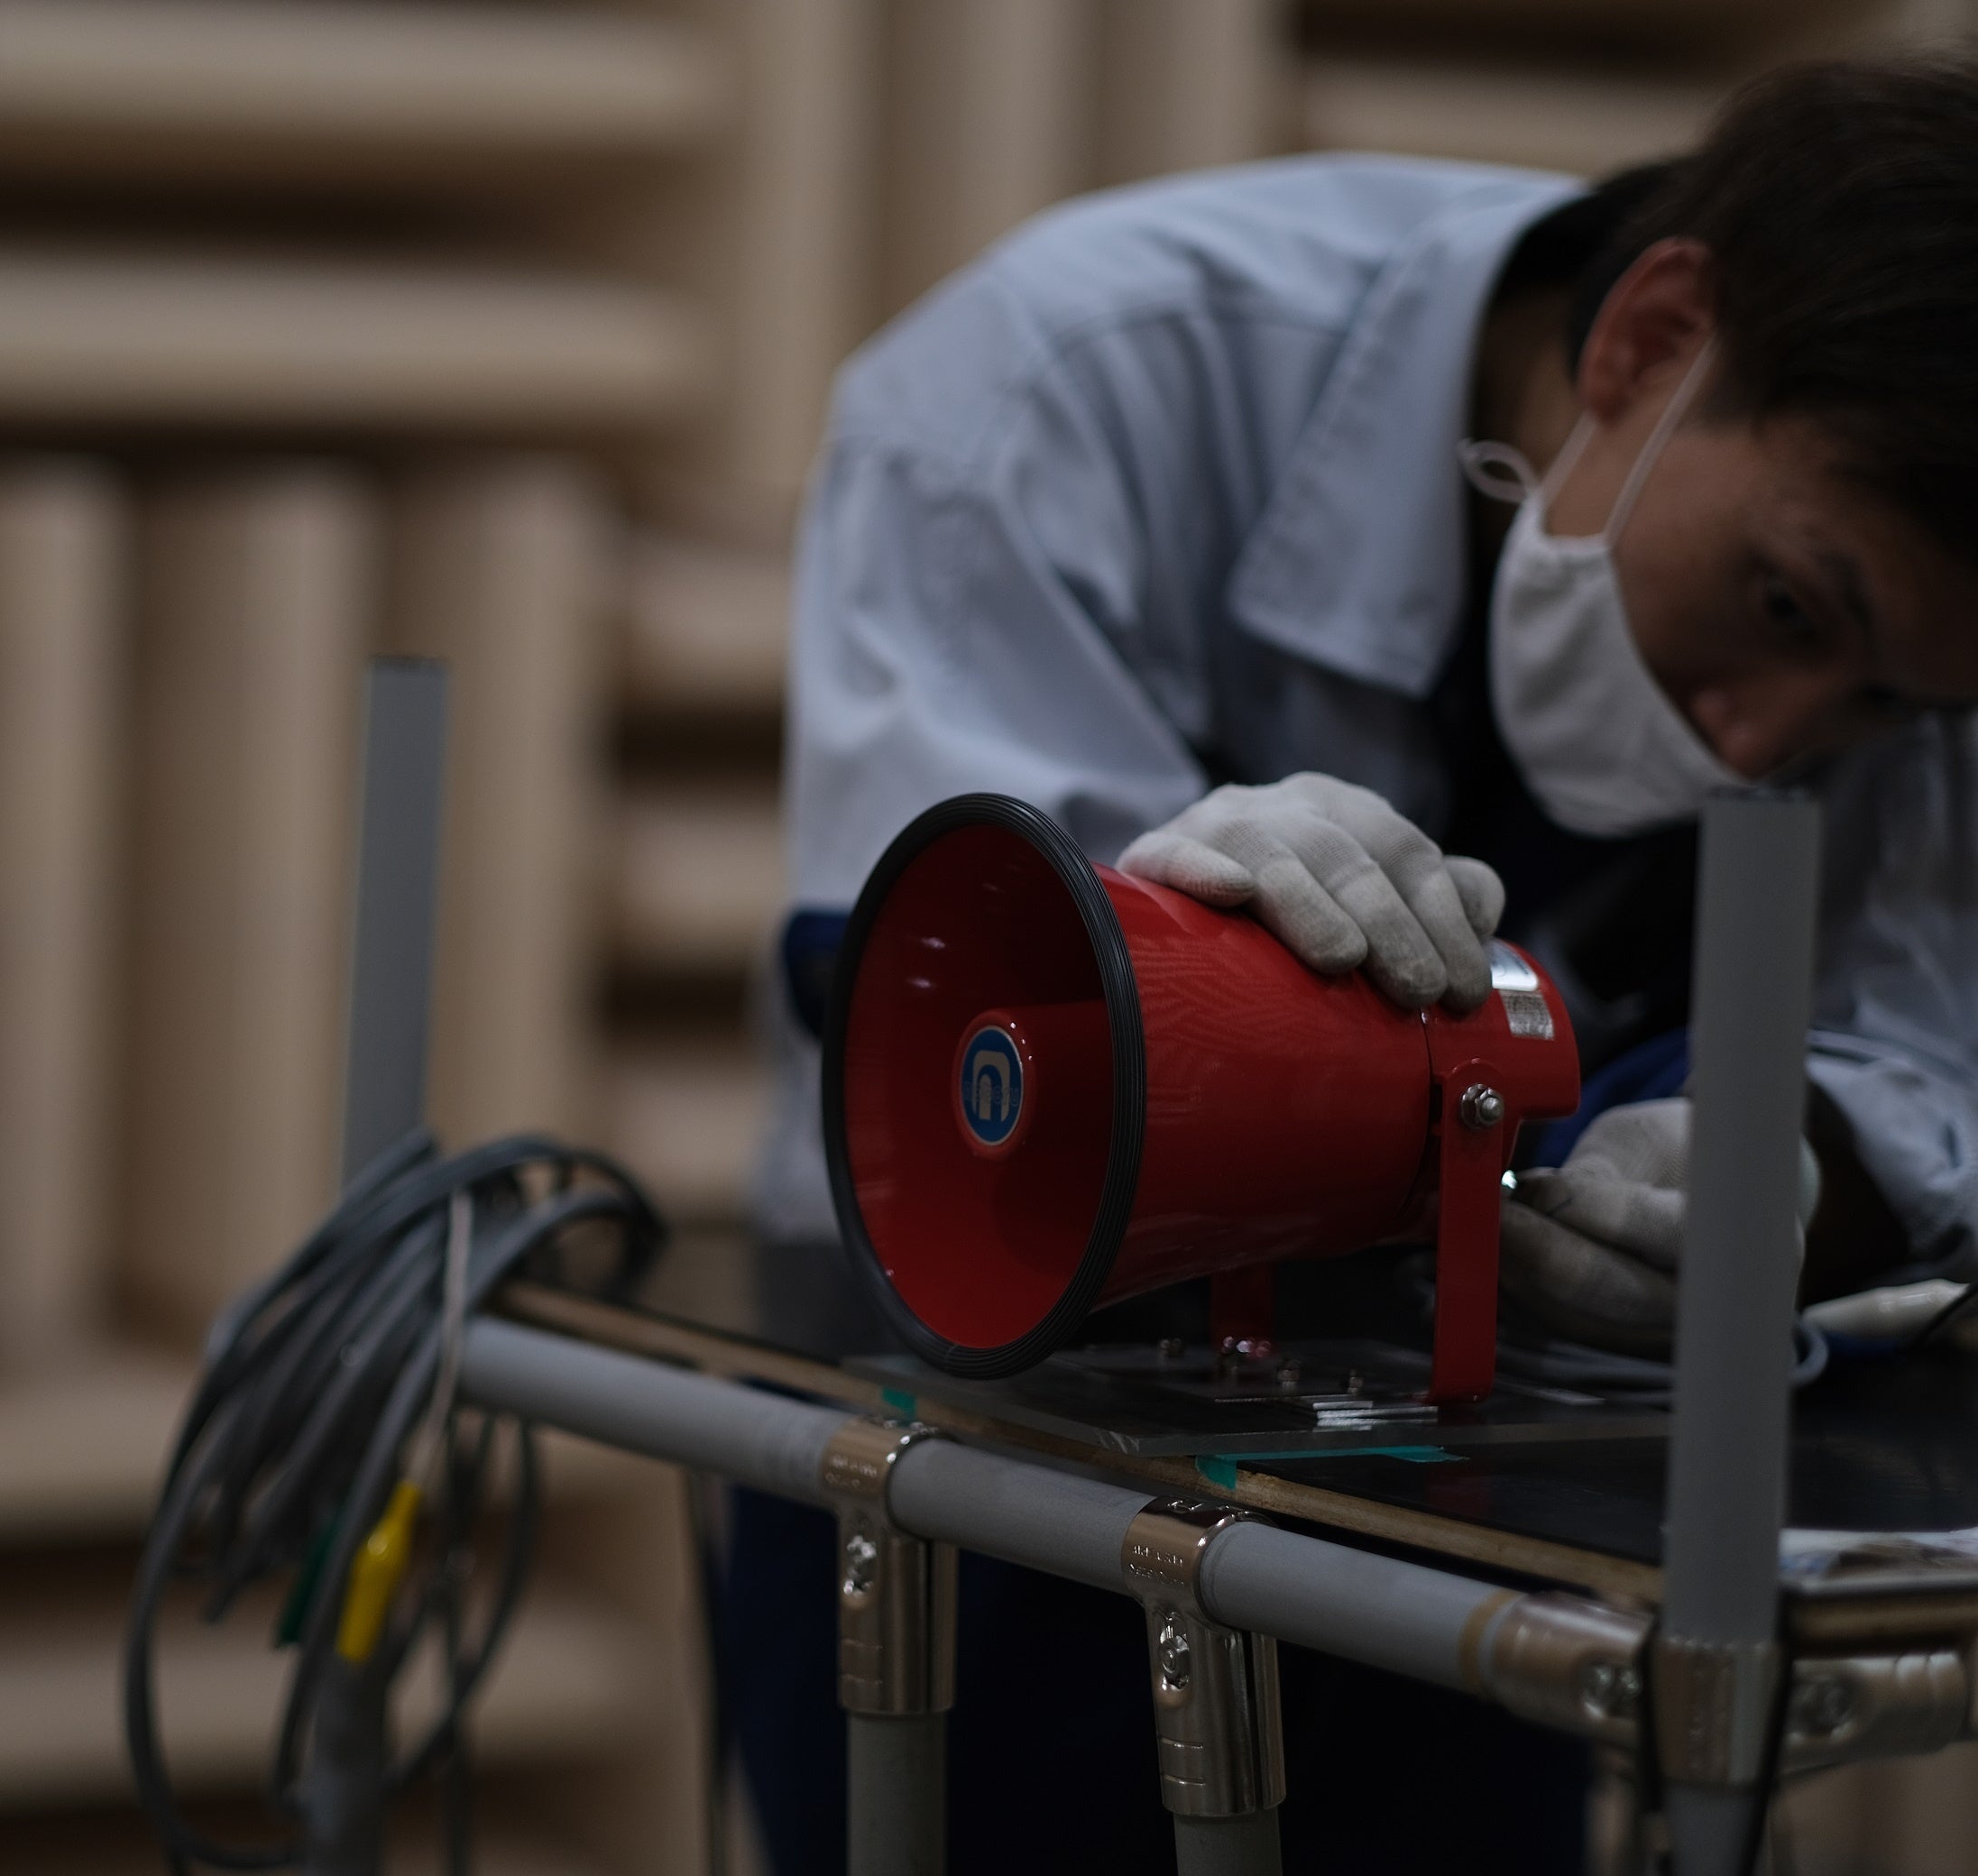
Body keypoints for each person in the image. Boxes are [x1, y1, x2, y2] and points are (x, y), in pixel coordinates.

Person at [732, 56, 1978, 1875]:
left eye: (1884, 707)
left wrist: (1786, 1163)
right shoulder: (1075, 370)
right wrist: (1151, 942)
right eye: (1789, 606)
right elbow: (915, 978)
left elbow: (1918, 1050)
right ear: (1653, 340)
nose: (1767, 742)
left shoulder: (1924, 603)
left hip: (1475, 1506)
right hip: (981, 1457)